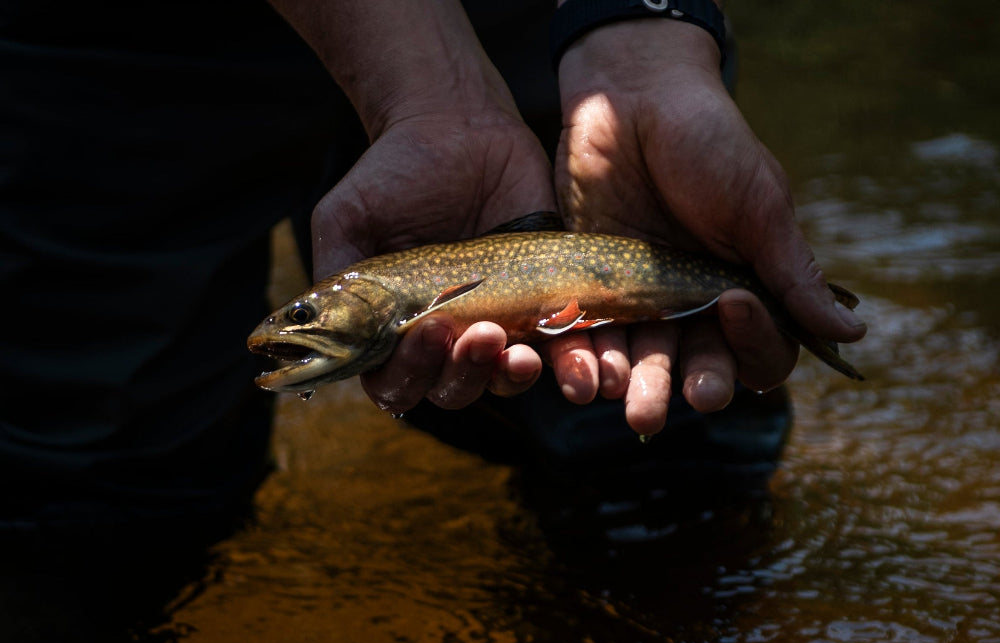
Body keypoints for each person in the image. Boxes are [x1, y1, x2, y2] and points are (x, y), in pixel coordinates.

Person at [0, 0, 866, 540]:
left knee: (650, 446)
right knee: (95, 462)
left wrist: (641, 35)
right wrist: (432, 91)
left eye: (303, 319)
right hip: (112, 32)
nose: (283, 334)